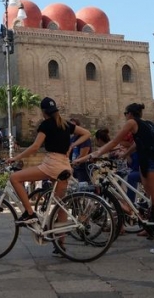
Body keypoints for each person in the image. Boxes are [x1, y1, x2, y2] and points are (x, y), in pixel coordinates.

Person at [74, 102, 154, 254]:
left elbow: (114, 141)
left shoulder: (131, 122)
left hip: (153, 162)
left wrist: (97, 153)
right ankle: (150, 226)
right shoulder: (145, 124)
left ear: (129, 114)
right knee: (150, 198)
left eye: (124, 113)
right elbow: (137, 143)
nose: (124, 117)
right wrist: (125, 154)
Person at [7, 97, 91, 256]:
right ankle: (61, 244)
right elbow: (86, 133)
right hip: (65, 164)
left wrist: (16, 158)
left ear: (43, 112)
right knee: (60, 204)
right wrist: (72, 144)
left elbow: (35, 147)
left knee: (15, 178)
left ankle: (29, 214)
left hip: (52, 164)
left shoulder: (46, 125)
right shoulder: (66, 124)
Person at [67, 118, 92, 184]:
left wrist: (74, 163)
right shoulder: (72, 138)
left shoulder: (84, 138)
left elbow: (84, 154)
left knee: (84, 186)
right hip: (75, 167)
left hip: (83, 167)